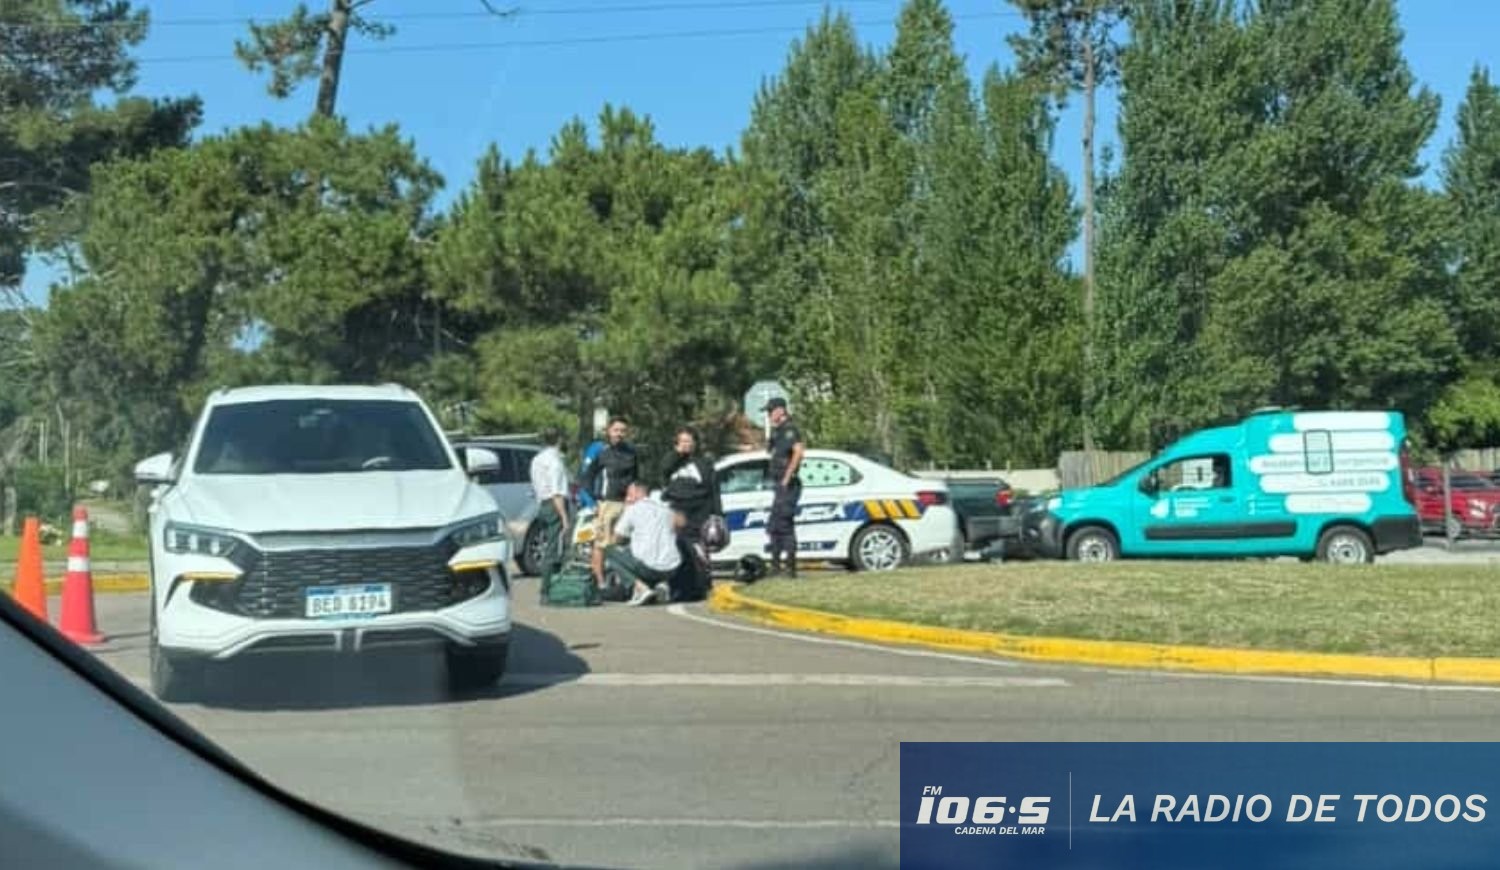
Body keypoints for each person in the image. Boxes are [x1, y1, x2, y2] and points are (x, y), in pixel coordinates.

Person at [661, 425, 722, 601]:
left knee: (699, 550)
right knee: (678, 549)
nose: (686, 445)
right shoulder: (671, 461)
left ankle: (702, 585)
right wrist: (678, 454)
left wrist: (716, 514)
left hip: (699, 510)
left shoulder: (704, 463)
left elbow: (713, 489)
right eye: (683, 442)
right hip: (678, 510)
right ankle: (679, 587)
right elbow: (664, 469)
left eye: (689, 441)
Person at [607, 482, 683, 606]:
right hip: (672, 568)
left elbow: (616, 538)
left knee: (610, 552)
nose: (627, 498)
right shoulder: (666, 509)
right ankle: (662, 584)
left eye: (629, 494)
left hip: (648, 568)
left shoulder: (633, 509)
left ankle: (640, 588)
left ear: (638, 492)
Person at [583, 416, 637, 587]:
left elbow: (636, 478)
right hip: (607, 503)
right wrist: (594, 500)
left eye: (622, 431)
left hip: (627, 504)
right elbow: (586, 477)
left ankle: (623, 581)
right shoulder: (602, 452)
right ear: (609, 431)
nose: (619, 434)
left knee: (623, 544)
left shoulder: (631, 452)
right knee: (601, 543)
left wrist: (634, 498)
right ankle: (600, 582)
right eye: (616, 430)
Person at [764, 397, 805, 577]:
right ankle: (775, 566)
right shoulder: (778, 431)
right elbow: (770, 452)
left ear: (780, 410)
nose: (768, 415)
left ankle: (790, 568)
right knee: (775, 526)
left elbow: (798, 452)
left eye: (770, 411)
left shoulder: (790, 429)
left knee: (784, 525)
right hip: (779, 483)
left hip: (788, 484)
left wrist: (787, 477)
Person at [528, 427, 571, 577]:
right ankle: (548, 585)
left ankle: (551, 581)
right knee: (555, 548)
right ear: (559, 440)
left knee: (549, 544)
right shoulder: (554, 461)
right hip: (555, 506)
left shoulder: (537, 459)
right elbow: (556, 492)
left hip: (543, 504)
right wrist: (564, 517)